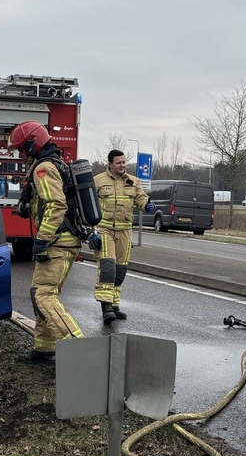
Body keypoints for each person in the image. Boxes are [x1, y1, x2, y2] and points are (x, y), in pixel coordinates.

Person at [9, 121, 85, 364]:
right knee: (39, 293)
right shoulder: (53, 164)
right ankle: (44, 349)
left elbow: (56, 205)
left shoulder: (44, 168)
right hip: (62, 241)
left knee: (44, 296)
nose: (21, 155)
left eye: (22, 149)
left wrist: (42, 239)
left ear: (32, 145)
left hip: (58, 243)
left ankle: (80, 350)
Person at [92, 150, 153, 323]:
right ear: (110, 164)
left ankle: (115, 305)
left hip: (125, 231)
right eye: (118, 163)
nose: (122, 165)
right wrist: (91, 232)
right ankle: (106, 306)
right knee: (108, 268)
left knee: (120, 270)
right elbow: (88, 206)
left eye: (124, 162)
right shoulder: (98, 181)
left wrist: (147, 205)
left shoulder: (133, 181)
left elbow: (141, 199)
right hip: (105, 230)